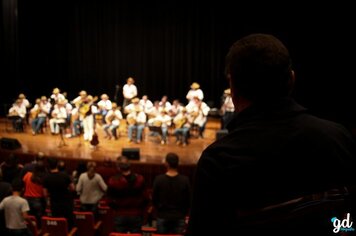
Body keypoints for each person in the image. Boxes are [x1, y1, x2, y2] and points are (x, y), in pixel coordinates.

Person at [186, 34, 356, 235]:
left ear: (233, 88)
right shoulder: (338, 137)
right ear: (292, 78)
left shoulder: (219, 161)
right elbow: (347, 223)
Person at [107, 156, 150, 233]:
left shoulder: (113, 181)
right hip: (136, 214)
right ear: (130, 166)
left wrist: (117, 209)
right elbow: (146, 198)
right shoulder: (140, 179)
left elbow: (109, 200)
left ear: (118, 167)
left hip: (120, 214)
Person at [152, 153, 191, 234]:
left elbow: (154, 199)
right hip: (179, 216)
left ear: (166, 164)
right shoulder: (185, 180)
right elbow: (189, 200)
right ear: (178, 163)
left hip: (162, 216)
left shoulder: (158, 179)